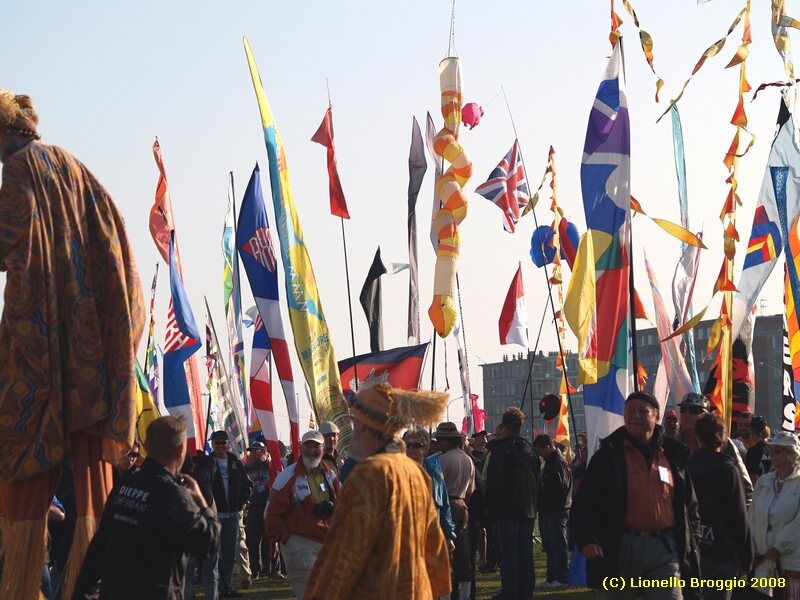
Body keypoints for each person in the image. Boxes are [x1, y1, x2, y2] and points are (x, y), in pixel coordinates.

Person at [0, 89, 145, 599]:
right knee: (89, 470)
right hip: (88, 342)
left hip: (42, 338)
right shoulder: (73, 165)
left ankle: (20, 582)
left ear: (11, 134)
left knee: (19, 441)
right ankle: (93, 573)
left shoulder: (19, 169)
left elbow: (8, 237)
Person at [305, 384, 451, 599]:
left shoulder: (367, 474)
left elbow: (344, 552)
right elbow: (434, 544)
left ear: (364, 426)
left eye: (354, 422)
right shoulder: (415, 471)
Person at [72, 416, 221, 600]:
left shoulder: (124, 487)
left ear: (146, 446)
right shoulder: (174, 496)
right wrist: (202, 503)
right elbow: (207, 544)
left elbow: (99, 547)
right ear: (181, 450)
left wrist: (83, 593)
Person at [571, 391, 701, 600]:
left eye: (643, 411)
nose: (636, 416)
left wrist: (691, 540)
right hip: (619, 547)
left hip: (665, 549)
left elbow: (690, 506)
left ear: (656, 416)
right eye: (630, 411)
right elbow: (584, 504)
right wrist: (587, 539)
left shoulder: (674, 455)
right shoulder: (608, 455)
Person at [266, 430, 340, 599]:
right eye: (308, 445)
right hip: (300, 543)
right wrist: (288, 540)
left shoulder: (330, 474)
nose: (312, 450)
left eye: (316, 446)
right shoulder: (287, 477)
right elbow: (269, 515)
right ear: (300, 447)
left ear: (323, 448)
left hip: (326, 543)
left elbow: (343, 506)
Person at [686, 414, 751, 600]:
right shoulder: (729, 471)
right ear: (723, 439)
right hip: (721, 553)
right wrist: (746, 558)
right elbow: (739, 517)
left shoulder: (685, 467)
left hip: (692, 552)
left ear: (698, 438)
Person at [485, 407, 540, 600]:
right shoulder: (530, 450)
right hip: (528, 509)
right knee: (525, 553)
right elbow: (537, 480)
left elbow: (494, 482)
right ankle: (526, 590)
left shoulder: (499, 450)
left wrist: (491, 506)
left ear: (505, 428)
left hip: (506, 510)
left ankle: (510, 591)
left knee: (509, 553)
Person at [194, 430, 252, 599]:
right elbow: (201, 485)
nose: (220, 446)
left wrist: (242, 502)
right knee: (212, 555)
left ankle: (227, 585)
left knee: (229, 554)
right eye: (217, 443)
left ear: (228, 444)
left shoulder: (234, 461)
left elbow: (247, 485)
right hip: (214, 516)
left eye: (223, 443)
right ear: (212, 445)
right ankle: (216, 586)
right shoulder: (208, 463)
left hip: (232, 514)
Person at [747, 431, 800, 599]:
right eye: (771, 449)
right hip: (762, 561)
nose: (772, 453)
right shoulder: (764, 482)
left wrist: (779, 548)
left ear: (792, 454)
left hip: (791, 563)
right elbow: (752, 517)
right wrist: (752, 551)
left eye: (778, 450)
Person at [675, 392, 753, 504]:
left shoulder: (723, 443)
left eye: (694, 411)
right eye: (683, 410)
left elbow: (746, 488)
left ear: (706, 415)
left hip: (717, 514)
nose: (687, 415)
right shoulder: (673, 445)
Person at [436, 422, 476, 600]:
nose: (437, 444)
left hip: (446, 506)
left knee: (445, 554)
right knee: (463, 553)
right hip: (463, 505)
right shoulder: (468, 459)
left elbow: (436, 489)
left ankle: (446, 596)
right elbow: (470, 491)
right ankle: (466, 595)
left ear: (446, 441)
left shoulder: (442, 460)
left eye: (439, 440)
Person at [533, 434, 572, 588]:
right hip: (549, 508)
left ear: (548, 447)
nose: (539, 455)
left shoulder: (557, 462)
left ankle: (561, 577)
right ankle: (552, 577)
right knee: (549, 544)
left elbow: (560, 487)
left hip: (557, 508)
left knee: (558, 543)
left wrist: (543, 491)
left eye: (540, 451)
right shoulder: (551, 462)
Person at [243, 440, 276, 588]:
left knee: (270, 540)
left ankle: (272, 569)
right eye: (252, 451)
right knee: (252, 540)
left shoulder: (271, 466)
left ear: (266, 452)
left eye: (259, 451)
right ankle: (254, 569)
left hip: (269, 507)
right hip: (253, 507)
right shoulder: (247, 467)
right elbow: (239, 478)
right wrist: (247, 466)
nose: (255, 454)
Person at [744, 416, 771, 483]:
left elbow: (754, 476)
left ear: (752, 431)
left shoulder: (753, 451)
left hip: (760, 488)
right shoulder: (773, 450)